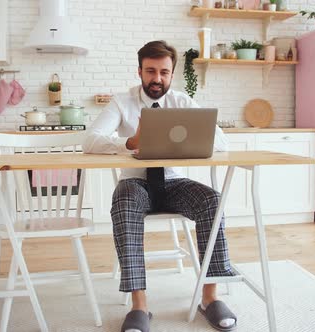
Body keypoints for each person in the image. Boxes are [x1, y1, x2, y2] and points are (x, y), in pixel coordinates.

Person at [83, 40, 237, 332]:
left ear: (172, 73)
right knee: (125, 202)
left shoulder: (182, 102)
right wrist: (130, 142)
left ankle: (210, 298)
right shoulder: (122, 101)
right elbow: (90, 140)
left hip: (174, 182)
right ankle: (139, 305)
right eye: (150, 71)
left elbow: (222, 142)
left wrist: (193, 142)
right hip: (136, 184)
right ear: (139, 71)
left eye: (164, 72)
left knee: (212, 201)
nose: (157, 79)